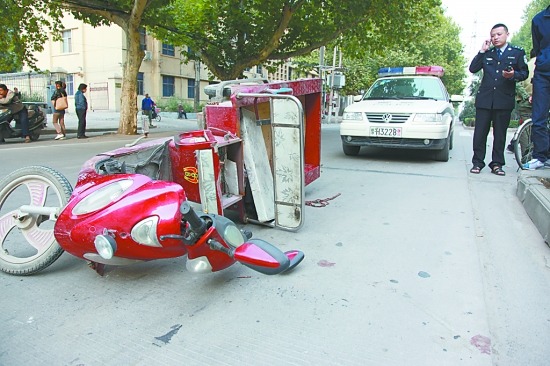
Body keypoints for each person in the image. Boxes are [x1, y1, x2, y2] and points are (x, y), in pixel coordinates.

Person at [469, 23, 529, 176]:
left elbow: (524, 73)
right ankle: (477, 162)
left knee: (500, 135)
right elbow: (473, 68)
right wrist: (482, 51)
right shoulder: (487, 53)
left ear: (507, 34)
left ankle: (497, 164)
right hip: (485, 99)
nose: (495, 38)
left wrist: (513, 75)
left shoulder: (517, 53)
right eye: (493, 35)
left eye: (498, 34)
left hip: (504, 100)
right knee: (480, 133)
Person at [525, 6, 550, 170]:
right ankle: (540, 157)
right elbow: (537, 48)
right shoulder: (539, 19)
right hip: (543, 73)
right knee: (539, 117)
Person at [507, 48, 536, 152]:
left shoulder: (525, 66)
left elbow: (518, 84)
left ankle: (526, 155)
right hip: (541, 101)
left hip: (525, 102)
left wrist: (526, 97)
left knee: (525, 128)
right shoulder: (543, 65)